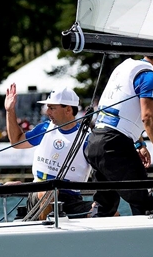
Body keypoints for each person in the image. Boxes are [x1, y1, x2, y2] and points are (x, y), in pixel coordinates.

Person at [87, 55, 153, 217]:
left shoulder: (125, 67)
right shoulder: (150, 76)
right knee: (146, 204)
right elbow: (147, 117)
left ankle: (95, 232)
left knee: (105, 204)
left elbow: (123, 110)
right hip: (114, 144)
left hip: (96, 140)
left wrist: (139, 144)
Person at [5, 84, 92, 219]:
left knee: (110, 212)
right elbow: (16, 142)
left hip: (71, 200)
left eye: (52, 108)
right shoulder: (45, 128)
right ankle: (47, 229)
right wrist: (10, 111)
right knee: (48, 192)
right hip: (40, 194)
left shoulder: (87, 137)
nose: (47, 112)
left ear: (68, 110)